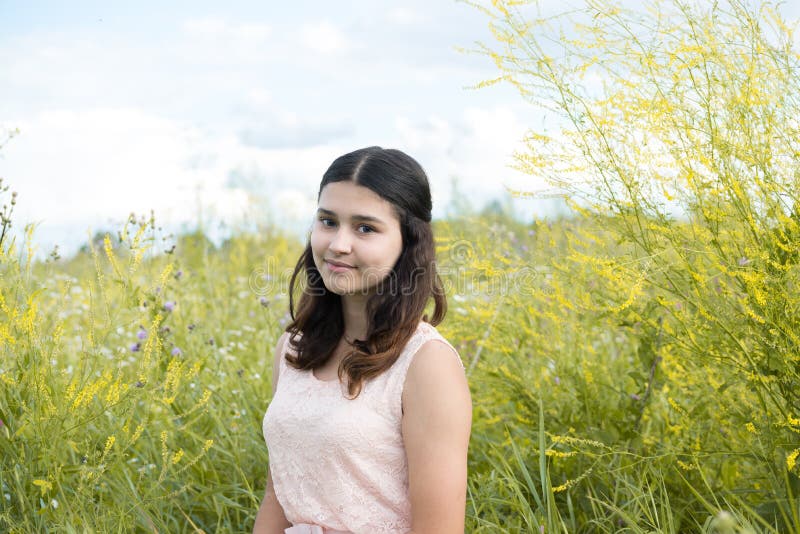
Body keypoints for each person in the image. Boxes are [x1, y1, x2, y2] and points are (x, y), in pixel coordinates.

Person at [253, 147, 472, 534]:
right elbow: (280, 492)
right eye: (328, 221)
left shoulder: (426, 364)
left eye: (365, 228)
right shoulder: (293, 349)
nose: (338, 243)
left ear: (409, 241)